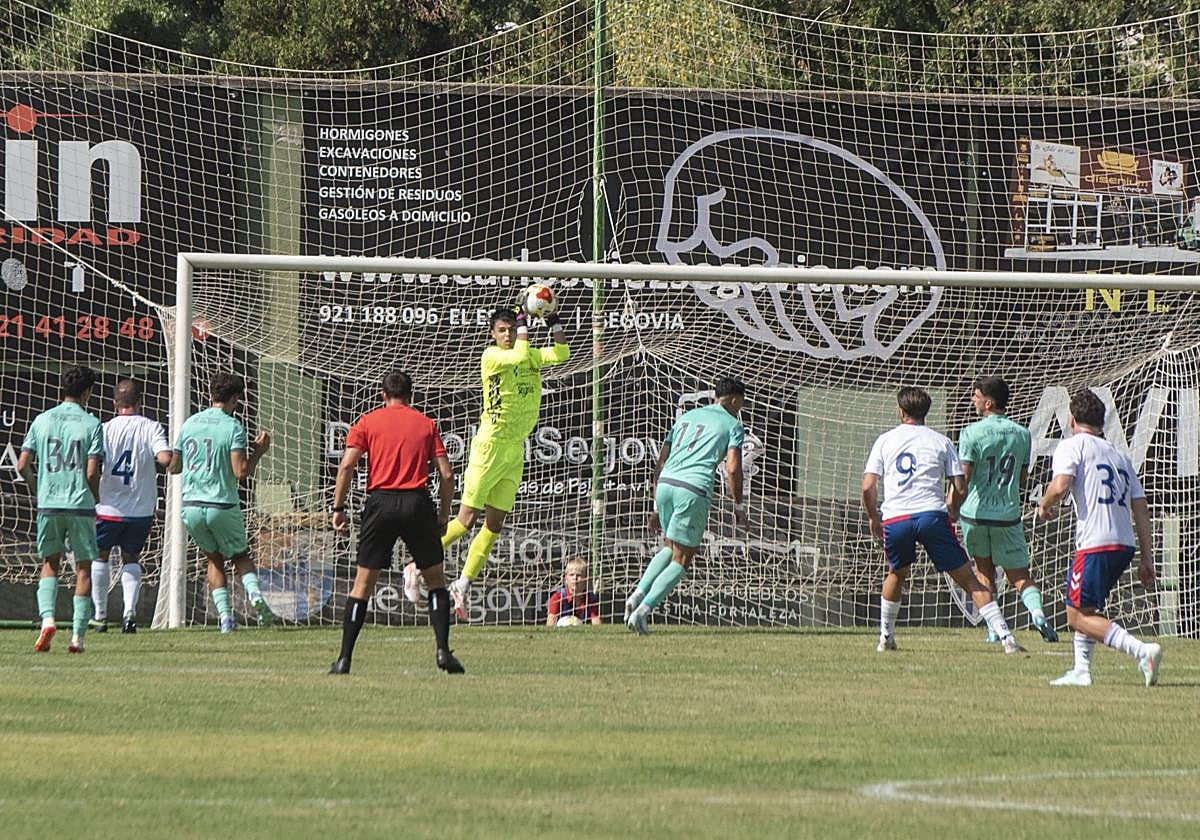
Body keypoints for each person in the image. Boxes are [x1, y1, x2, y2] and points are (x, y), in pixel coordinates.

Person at [862, 387, 1025, 655]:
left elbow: (868, 486)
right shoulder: (941, 441)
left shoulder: (885, 440)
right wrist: (952, 510)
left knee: (896, 573)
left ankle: (885, 637)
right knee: (969, 580)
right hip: (931, 515)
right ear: (926, 412)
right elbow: (960, 485)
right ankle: (1006, 638)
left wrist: (872, 517)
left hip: (897, 517)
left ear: (901, 411)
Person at [434, 303, 570, 621]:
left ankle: (462, 584)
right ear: (493, 334)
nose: (508, 334)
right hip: (489, 447)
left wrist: (552, 319)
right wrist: (524, 318)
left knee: (494, 525)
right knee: (465, 520)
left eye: (511, 328)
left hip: (514, 450)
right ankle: (418, 559)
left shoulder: (529, 355)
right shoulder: (492, 357)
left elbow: (562, 353)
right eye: (502, 330)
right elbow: (520, 356)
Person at [328, 370, 462, 675]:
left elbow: (347, 464)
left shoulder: (367, 422)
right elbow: (447, 474)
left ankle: (344, 659)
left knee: (362, 585)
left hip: (381, 503)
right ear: (411, 396)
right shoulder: (426, 424)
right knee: (436, 581)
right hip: (417, 503)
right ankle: (443, 651)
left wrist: (338, 507)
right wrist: (443, 514)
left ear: (382, 394)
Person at [1038, 389, 1161, 687]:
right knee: (1087, 608)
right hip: (1124, 543)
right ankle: (1081, 671)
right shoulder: (1119, 454)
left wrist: (1044, 504)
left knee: (1075, 617)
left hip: (1096, 541)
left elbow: (1061, 484)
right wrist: (1147, 556)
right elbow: (1141, 507)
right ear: (1102, 422)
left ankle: (1141, 651)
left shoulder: (1074, 445)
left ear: (1072, 420)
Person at [624, 378, 748, 635]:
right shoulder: (733, 424)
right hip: (692, 489)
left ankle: (637, 595)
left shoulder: (686, 417)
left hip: (666, 483)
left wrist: (656, 507)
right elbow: (733, 469)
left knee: (669, 547)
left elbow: (660, 463)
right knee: (683, 557)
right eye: (742, 403)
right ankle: (643, 611)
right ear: (735, 400)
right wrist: (738, 506)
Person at [168, 372, 273, 633]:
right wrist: (258, 453)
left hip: (191, 506)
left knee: (213, 559)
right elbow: (241, 473)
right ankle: (257, 598)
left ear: (211, 395)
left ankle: (226, 619)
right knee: (240, 555)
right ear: (235, 399)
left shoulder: (190, 423)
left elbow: (174, 467)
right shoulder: (232, 427)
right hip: (221, 504)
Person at [957, 376, 1057, 644]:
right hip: (1007, 515)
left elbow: (963, 478)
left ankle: (993, 629)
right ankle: (1036, 614)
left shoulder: (970, 432)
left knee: (984, 572)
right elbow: (1023, 478)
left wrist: (951, 506)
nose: (973, 400)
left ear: (987, 402)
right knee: (1020, 576)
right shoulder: (1022, 434)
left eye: (976, 396)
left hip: (975, 515)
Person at [18, 366, 105, 653]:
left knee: (49, 563)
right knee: (83, 568)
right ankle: (78, 638)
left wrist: (37, 487)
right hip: (79, 504)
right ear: (87, 392)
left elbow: (22, 465)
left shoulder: (42, 420)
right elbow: (92, 473)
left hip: (49, 503)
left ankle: (47, 621)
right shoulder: (92, 424)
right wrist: (95, 495)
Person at [90, 378, 172, 634]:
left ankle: (100, 616)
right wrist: (172, 457)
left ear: (115, 404)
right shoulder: (151, 427)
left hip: (108, 508)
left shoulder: (104, 429)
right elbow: (164, 458)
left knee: (100, 556)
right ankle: (129, 615)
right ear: (139, 402)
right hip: (140, 510)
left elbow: (93, 465)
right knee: (131, 558)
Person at [546, 557, 601, 626]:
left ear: (586, 579)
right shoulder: (557, 597)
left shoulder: (591, 598)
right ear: (565, 579)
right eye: (571, 575)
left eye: (579, 575)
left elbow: (596, 622)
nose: (575, 578)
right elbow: (551, 622)